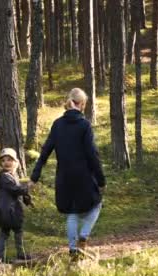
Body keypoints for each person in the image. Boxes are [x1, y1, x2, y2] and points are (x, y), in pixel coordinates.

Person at [30, 88, 106, 259]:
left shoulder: (57, 124)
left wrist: (35, 176)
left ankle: (73, 250)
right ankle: (84, 235)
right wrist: (101, 180)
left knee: (72, 212)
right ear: (83, 105)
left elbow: (45, 151)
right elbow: (92, 154)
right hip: (84, 177)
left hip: (64, 178)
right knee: (97, 204)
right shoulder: (84, 125)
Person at [0, 148, 33, 262]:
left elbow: (16, 191)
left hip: (9, 209)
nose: (6, 162)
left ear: (16, 162)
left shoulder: (11, 176)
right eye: (4, 160)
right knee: (13, 232)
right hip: (8, 211)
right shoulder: (5, 177)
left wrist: (26, 198)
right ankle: (12, 255)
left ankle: (3, 256)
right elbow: (15, 189)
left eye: (9, 160)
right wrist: (27, 188)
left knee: (8, 232)